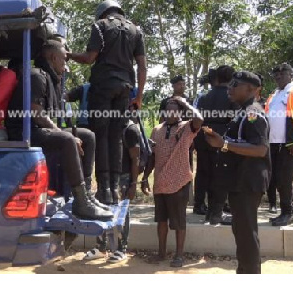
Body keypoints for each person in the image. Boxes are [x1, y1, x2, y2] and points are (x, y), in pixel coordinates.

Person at [5, 40, 113, 220]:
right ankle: (81, 202)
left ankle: (86, 194)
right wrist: (64, 133)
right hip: (23, 132)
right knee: (67, 140)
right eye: (64, 59)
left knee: (87, 135)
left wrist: (71, 130)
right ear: (53, 58)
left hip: (38, 130)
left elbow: (57, 115)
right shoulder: (36, 76)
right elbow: (38, 115)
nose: (66, 65)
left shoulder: (53, 79)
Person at [67, 0, 147, 205]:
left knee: (100, 136)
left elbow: (89, 58)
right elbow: (142, 66)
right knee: (116, 137)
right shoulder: (136, 30)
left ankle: (104, 190)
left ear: (101, 13)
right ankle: (113, 188)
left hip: (102, 88)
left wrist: (68, 55)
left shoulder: (100, 26)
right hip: (125, 89)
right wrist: (138, 97)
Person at [204, 71, 270, 274]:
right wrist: (221, 143)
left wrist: (224, 143)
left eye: (236, 84)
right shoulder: (242, 112)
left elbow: (260, 149)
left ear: (252, 89)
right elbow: (237, 146)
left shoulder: (253, 113)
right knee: (241, 232)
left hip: (248, 182)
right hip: (239, 180)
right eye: (230, 83)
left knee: (246, 235)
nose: (229, 88)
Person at [142, 97, 203, 268]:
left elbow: (200, 120)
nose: (171, 112)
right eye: (168, 109)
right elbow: (152, 157)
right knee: (161, 220)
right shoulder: (157, 130)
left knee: (178, 221)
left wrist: (185, 103)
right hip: (160, 182)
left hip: (179, 180)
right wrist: (145, 177)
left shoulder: (186, 128)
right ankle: (161, 253)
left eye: (175, 109)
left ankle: (179, 255)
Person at [84, 104, 143, 261]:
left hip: (123, 177)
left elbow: (135, 158)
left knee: (121, 214)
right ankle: (101, 247)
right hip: (105, 177)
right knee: (101, 210)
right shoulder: (107, 127)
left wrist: (133, 184)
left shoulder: (129, 129)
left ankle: (121, 248)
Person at [193, 65, 239, 222]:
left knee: (202, 172)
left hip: (203, 135)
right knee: (219, 174)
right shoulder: (232, 97)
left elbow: (197, 117)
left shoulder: (204, 96)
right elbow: (235, 119)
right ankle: (215, 209)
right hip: (221, 137)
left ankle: (199, 204)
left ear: (216, 78)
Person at [265, 63, 293, 225]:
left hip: (290, 144)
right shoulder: (274, 94)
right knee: (278, 179)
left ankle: (287, 213)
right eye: (276, 75)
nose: (278, 77)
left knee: (284, 179)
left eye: (282, 74)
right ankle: (292, 211)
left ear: (290, 75)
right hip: (273, 143)